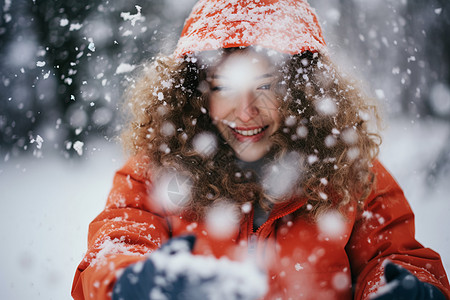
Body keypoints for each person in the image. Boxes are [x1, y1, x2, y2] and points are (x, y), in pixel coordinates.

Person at [71, 0, 450, 299]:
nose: (246, 110)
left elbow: (394, 257)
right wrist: (132, 283)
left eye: (266, 86)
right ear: (195, 94)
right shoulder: (155, 173)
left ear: (303, 92)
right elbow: (117, 244)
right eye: (224, 87)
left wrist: (402, 289)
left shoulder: (352, 173)